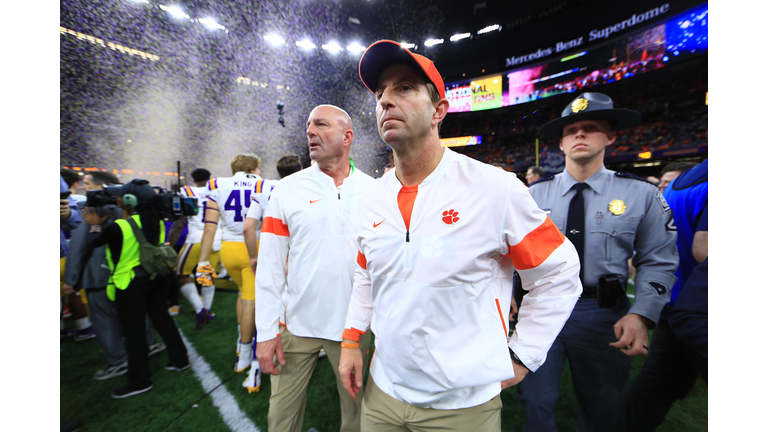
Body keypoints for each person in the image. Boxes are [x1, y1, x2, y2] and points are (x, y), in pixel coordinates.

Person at [338, 40, 582, 431]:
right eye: (381, 93)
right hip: (383, 392)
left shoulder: (495, 189)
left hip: (462, 404)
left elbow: (559, 273)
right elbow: (366, 273)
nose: (385, 101)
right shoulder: (370, 198)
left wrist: (523, 354)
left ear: (438, 111)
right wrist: (352, 340)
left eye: (404, 88)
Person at [518, 92, 679, 432]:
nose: (579, 135)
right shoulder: (531, 197)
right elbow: (509, 257)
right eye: (571, 129)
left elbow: (659, 260)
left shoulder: (642, 194)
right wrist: (511, 298)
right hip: (541, 308)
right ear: (561, 143)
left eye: (590, 127)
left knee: (603, 406)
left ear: (610, 136)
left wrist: (642, 313)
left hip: (604, 312)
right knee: (534, 401)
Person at [255, 104, 375, 432]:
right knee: (281, 417)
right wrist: (266, 333)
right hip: (296, 325)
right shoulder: (287, 190)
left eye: (320, 125)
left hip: (352, 329)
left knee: (357, 416)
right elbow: (269, 266)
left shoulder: (376, 191)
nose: (310, 131)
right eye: (308, 126)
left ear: (346, 136)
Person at [84, 179, 189, 398]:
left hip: (130, 284)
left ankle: (139, 381)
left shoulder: (118, 226)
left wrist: (94, 224)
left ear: (130, 200)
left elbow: (93, 243)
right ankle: (180, 360)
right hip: (156, 277)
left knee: (134, 332)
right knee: (161, 318)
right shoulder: (156, 220)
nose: (117, 198)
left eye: (121, 196)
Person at [626, 159, 708, 431]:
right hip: (702, 309)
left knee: (655, 388)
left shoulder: (678, 184)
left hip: (677, 304)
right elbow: (705, 248)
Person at [64, 171, 165, 380]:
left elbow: (81, 246)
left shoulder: (96, 209)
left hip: (100, 273)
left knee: (104, 319)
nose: (85, 188)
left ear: (104, 187)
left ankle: (118, 361)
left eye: (88, 183)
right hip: (132, 271)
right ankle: (150, 343)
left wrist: (71, 278)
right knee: (135, 312)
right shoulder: (134, 208)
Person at [240, 154, 303, 393]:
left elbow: (248, 226)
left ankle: (251, 366)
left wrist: (254, 256)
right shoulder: (310, 187)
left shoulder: (266, 189)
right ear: (301, 169)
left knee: (268, 308)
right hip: (298, 259)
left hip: (273, 254)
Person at [196, 154, 262, 374]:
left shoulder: (217, 184)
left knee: (243, 294)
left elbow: (209, 227)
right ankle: (244, 354)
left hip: (229, 250)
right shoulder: (262, 185)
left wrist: (203, 261)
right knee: (251, 302)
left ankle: (239, 341)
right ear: (254, 168)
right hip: (254, 248)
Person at [174, 168, 223, 329]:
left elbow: (180, 221)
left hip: (196, 239)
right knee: (207, 275)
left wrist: (170, 243)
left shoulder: (187, 191)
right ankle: (207, 310)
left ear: (193, 179)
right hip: (215, 239)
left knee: (181, 275)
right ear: (210, 178)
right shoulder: (219, 191)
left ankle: (200, 309)